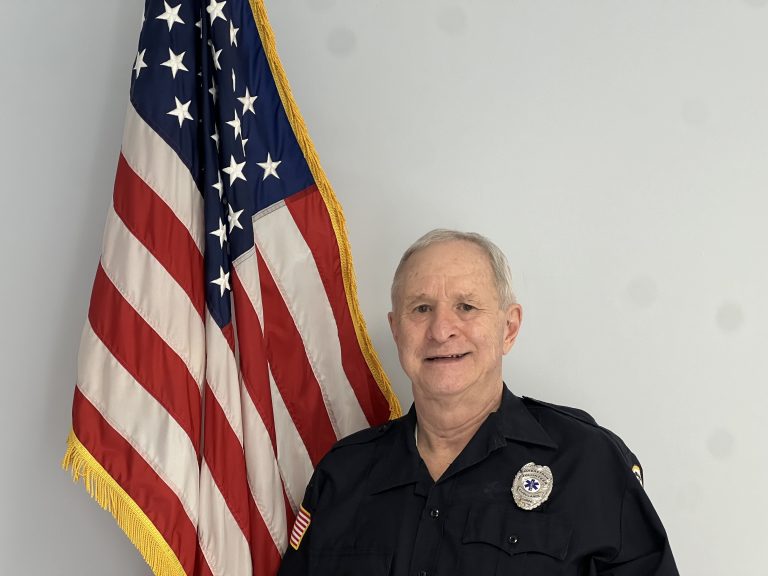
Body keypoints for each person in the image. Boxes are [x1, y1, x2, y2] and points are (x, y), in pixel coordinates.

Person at [278, 229, 679, 576]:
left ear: (509, 328)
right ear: (396, 331)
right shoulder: (343, 475)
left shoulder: (589, 463)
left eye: (466, 307)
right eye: (421, 309)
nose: (441, 329)